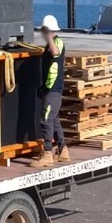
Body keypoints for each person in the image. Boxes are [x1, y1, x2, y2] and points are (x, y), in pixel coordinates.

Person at [34, 14, 69, 167]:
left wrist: (49, 37)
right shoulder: (50, 44)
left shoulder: (57, 42)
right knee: (54, 120)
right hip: (50, 89)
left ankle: (48, 152)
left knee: (46, 120)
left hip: (54, 90)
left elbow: (55, 53)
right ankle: (62, 150)